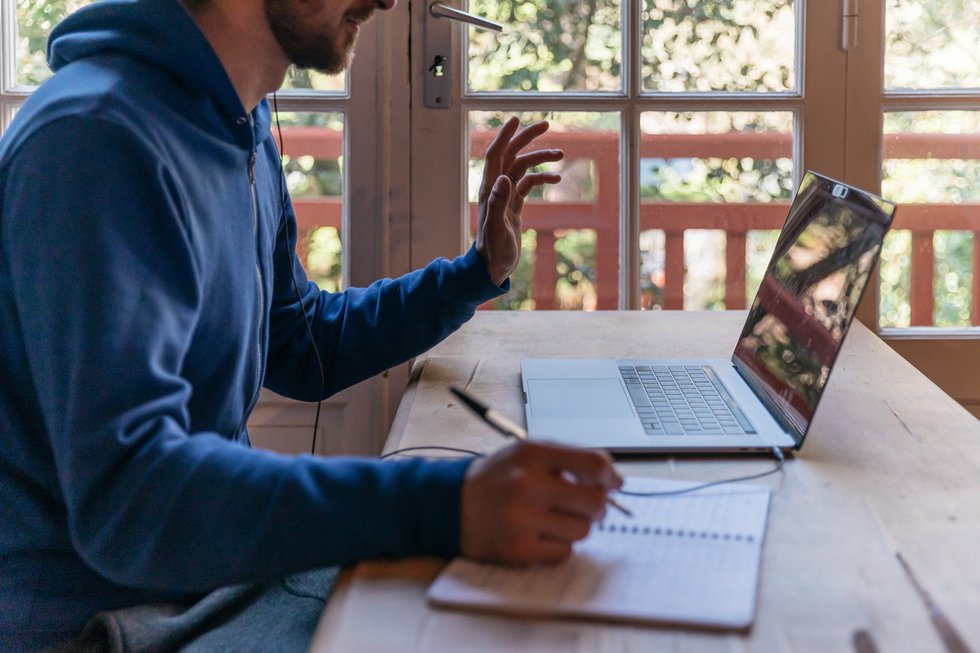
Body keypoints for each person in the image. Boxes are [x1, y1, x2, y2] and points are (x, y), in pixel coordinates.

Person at [0, 0, 624, 650]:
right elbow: (132, 499)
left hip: (207, 587)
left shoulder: (238, 119)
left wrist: (474, 272)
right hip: (103, 625)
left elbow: (301, 340)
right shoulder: (95, 141)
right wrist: (450, 503)